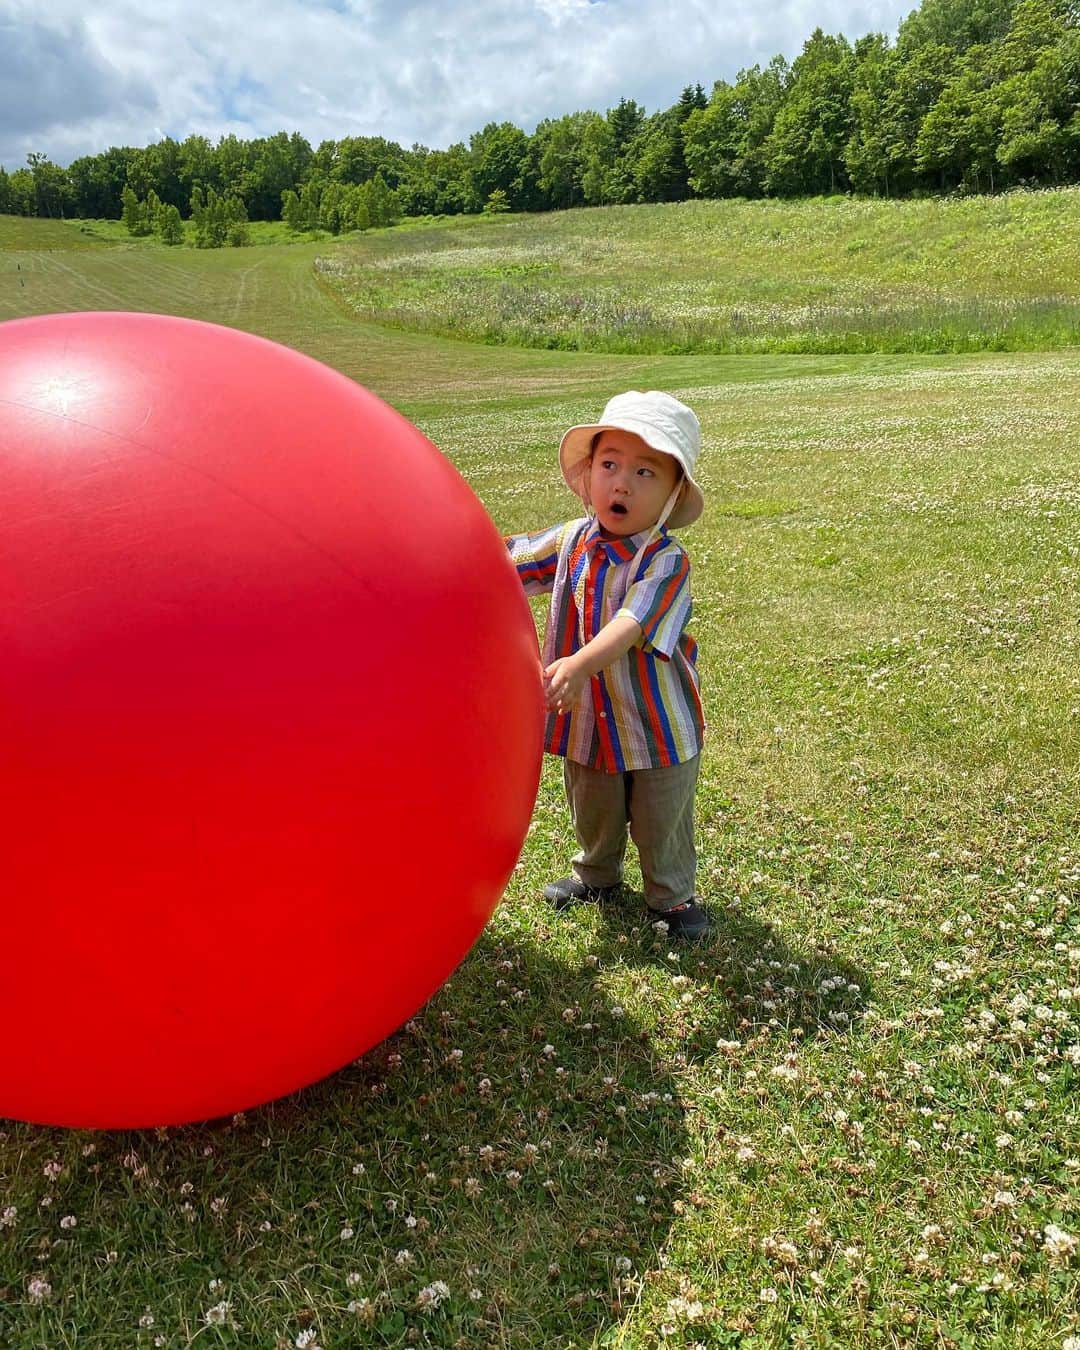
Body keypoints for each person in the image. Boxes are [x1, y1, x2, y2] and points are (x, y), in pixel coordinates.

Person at [505, 390, 709, 940]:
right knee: (592, 800)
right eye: (610, 465)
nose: (622, 483)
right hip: (589, 717)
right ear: (589, 474)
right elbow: (510, 564)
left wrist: (577, 662)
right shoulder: (571, 539)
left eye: (646, 473)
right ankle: (596, 873)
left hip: (656, 722)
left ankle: (670, 896)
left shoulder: (666, 561)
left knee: (660, 815)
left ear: (671, 496)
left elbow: (631, 624)